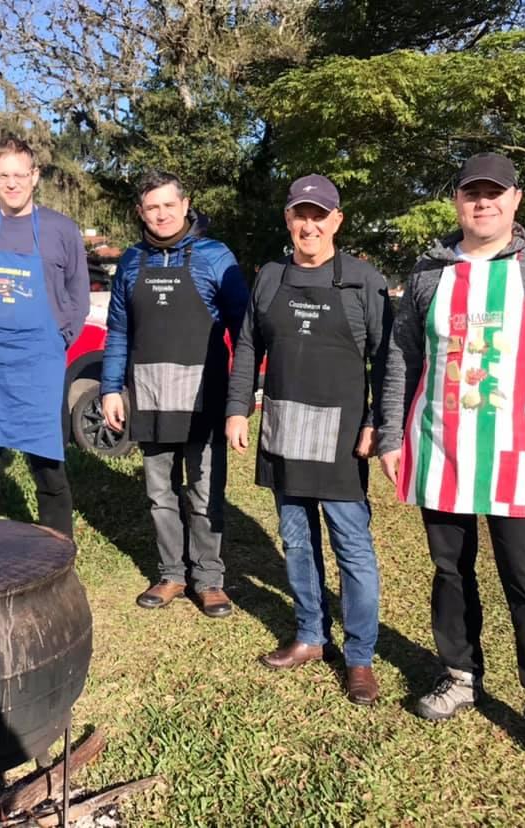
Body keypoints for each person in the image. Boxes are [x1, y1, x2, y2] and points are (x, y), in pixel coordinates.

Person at [378, 152, 525, 780]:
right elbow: (402, 357)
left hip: (519, 456)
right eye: (471, 194)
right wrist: (391, 436)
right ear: (457, 203)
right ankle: (460, 674)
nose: (483, 204)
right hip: (441, 449)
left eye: (494, 194)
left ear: (515, 202)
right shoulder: (426, 271)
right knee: (450, 572)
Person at [225, 174, 392, 705]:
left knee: (352, 548)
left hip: (342, 439)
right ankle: (311, 636)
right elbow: (248, 345)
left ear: (337, 221)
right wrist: (237, 408)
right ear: (288, 220)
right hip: (284, 429)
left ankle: (361, 657)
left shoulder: (364, 282)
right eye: (301, 215)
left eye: (320, 216)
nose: (309, 225)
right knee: (296, 541)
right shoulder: (270, 277)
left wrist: (377, 421)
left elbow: (389, 362)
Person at [101, 171, 248, 618]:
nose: (161, 214)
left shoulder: (215, 256)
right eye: (152, 207)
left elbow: (246, 331)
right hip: (148, 394)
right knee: (160, 492)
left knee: (204, 494)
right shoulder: (129, 262)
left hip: (204, 396)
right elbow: (118, 331)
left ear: (186, 205)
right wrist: (110, 388)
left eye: (169, 204)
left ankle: (209, 579)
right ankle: (171, 574)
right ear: (141, 213)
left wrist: (242, 397)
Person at [0, 135, 89, 540]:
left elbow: (78, 295)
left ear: (35, 176)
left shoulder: (61, 229)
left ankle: (58, 554)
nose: (12, 184)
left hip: (38, 364)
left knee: (49, 466)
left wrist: (60, 339)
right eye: (3, 175)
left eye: (19, 175)